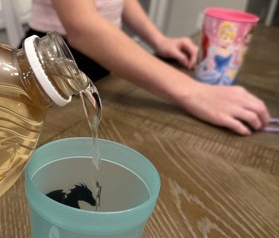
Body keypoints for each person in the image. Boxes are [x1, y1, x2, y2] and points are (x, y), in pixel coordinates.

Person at [24, 0, 270, 136]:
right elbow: (83, 27)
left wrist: (158, 40)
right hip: (53, 64)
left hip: (102, 63)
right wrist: (195, 92)